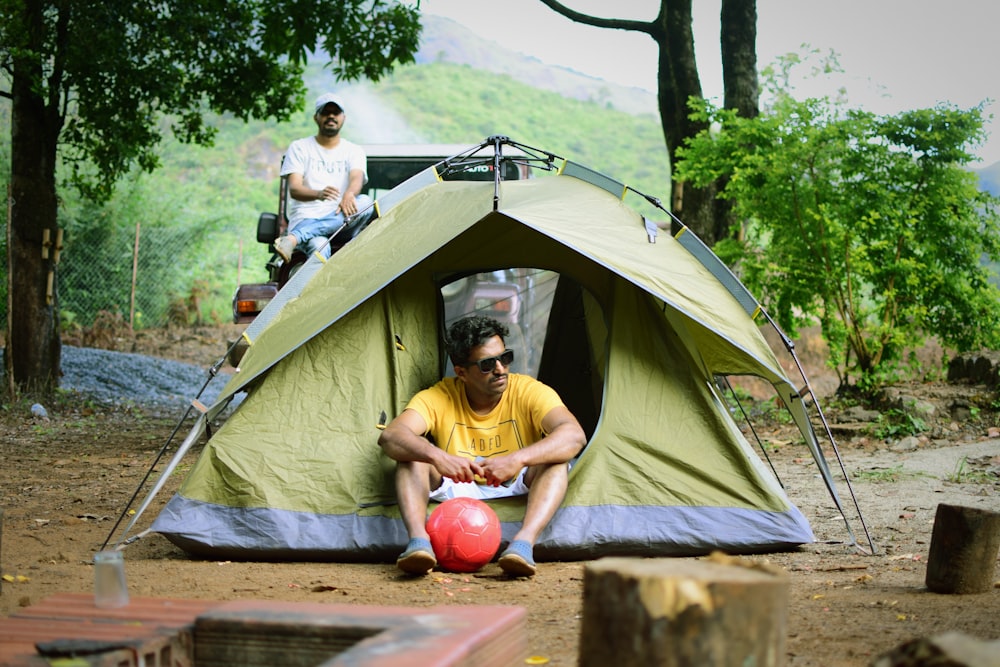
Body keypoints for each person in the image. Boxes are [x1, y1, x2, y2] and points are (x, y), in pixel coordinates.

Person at [378, 315, 587, 577]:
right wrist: (438, 456)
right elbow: (391, 436)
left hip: (515, 480)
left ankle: (522, 546)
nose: (501, 369)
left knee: (556, 459)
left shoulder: (529, 390)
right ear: (462, 373)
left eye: (505, 358)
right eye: (488, 364)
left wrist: (517, 460)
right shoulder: (439, 395)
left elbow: (574, 436)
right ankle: (419, 545)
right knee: (413, 453)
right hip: (457, 483)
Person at [273, 92, 375, 261]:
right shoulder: (299, 147)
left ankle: (293, 238)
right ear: (316, 118)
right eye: (325, 112)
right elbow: (295, 189)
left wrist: (349, 194)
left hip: (342, 224)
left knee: (365, 202)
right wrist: (319, 194)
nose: (331, 116)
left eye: (336, 112)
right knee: (319, 246)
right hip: (306, 218)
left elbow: (356, 177)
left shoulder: (354, 151)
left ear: (343, 117)